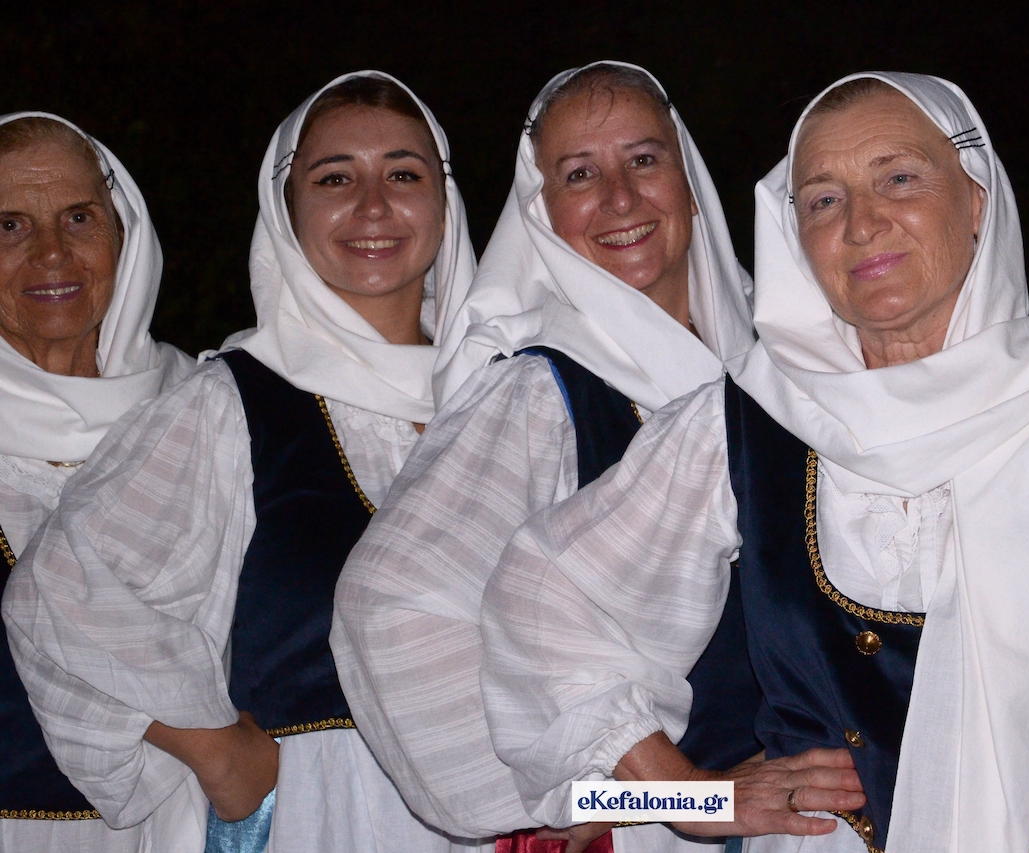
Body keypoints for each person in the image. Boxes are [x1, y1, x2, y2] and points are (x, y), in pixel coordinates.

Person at [478, 72, 1029, 853]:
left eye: (898, 178)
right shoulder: (747, 420)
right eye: (824, 199)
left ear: (975, 199)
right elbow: (546, 609)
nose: (862, 224)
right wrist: (688, 797)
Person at [331, 61, 862, 853]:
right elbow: (391, 609)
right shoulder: (537, 391)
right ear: (542, 212)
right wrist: (650, 790)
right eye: (580, 174)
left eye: (644, 159)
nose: (619, 196)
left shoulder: (780, 361)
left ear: (688, 181)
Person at [3, 71, 477, 853]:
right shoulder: (234, 404)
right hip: (324, 821)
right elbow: (60, 591)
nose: (373, 206)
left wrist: (619, 794)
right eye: (334, 178)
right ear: (285, 208)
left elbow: (618, 691)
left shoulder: (513, 397)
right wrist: (226, 759)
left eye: (403, 174)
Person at [0, 112, 198, 852]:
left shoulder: (206, 411)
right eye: (10, 226)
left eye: (79, 217)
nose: (51, 252)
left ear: (125, 233)